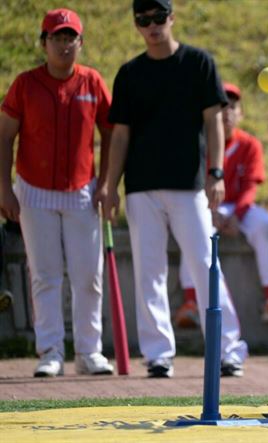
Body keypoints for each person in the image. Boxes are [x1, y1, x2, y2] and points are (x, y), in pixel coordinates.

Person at [99, 0, 248, 377]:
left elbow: (214, 121)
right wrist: (109, 185)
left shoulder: (199, 63)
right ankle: (158, 355)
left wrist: (216, 171)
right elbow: (119, 136)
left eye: (158, 17)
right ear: (136, 24)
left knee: (204, 263)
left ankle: (228, 349)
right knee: (150, 271)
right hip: (141, 186)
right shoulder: (129, 73)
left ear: (172, 17)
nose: (152, 25)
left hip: (190, 183)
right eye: (143, 19)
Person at [0, 8, 114, 377]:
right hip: (33, 191)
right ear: (44, 43)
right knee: (45, 274)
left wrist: (108, 183)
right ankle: (50, 351)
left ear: (81, 42)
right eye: (57, 38)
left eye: (71, 38)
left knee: (88, 275)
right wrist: (4, 188)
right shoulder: (25, 84)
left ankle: (89, 351)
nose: (64, 45)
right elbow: (4, 137)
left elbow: (112, 133)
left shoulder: (93, 82)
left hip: (83, 190)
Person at [176, 82, 268, 327]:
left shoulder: (250, 144)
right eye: (222, 107)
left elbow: (251, 186)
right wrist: (211, 211)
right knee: (195, 232)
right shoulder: (198, 142)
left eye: (233, 107)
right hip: (205, 206)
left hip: (240, 208)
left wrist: (237, 215)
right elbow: (192, 184)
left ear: (241, 113)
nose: (227, 112)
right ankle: (190, 303)